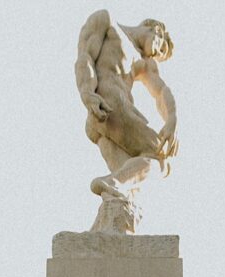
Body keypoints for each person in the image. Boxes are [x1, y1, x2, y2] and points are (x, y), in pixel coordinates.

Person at [75, 10, 178, 228]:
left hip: (101, 121)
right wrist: (86, 92)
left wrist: (172, 119)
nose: (156, 53)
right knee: (162, 159)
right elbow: (85, 56)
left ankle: (101, 231)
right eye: (160, 47)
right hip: (113, 108)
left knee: (126, 190)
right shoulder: (106, 21)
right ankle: (111, 182)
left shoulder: (143, 62)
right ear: (155, 29)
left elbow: (161, 92)